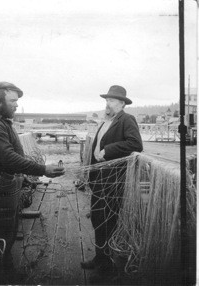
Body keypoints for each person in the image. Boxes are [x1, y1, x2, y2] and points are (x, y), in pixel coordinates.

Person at [0, 81, 65, 283]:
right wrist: (43, 170)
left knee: (8, 233)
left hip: (5, 186)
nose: (16, 105)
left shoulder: (1, 121)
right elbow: (7, 158)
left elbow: (8, 156)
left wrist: (23, 177)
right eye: (13, 101)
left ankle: (6, 273)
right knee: (1, 236)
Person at [81, 85, 143, 281]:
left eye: (112, 100)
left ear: (122, 103)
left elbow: (136, 144)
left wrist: (109, 149)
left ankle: (106, 266)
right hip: (99, 178)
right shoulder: (106, 121)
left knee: (108, 221)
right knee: (97, 219)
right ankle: (100, 258)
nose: (107, 103)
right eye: (106, 100)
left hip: (113, 179)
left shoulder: (127, 119)